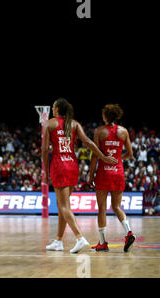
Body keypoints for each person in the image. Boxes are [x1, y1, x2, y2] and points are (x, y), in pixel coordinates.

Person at [42, 98, 117, 253]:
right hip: (72, 165)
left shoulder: (49, 124)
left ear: (56, 109)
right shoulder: (74, 124)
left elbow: (44, 149)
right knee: (64, 206)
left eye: (53, 107)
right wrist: (102, 156)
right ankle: (58, 241)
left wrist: (45, 171)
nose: (51, 109)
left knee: (63, 206)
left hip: (59, 165)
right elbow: (88, 142)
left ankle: (79, 237)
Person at [88, 104, 136, 252]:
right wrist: (117, 158)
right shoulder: (123, 131)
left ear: (104, 116)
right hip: (118, 172)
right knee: (116, 207)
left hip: (103, 173)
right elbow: (130, 154)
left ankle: (103, 243)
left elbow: (95, 155)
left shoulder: (99, 131)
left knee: (102, 208)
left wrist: (90, 176)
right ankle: (129, 233)